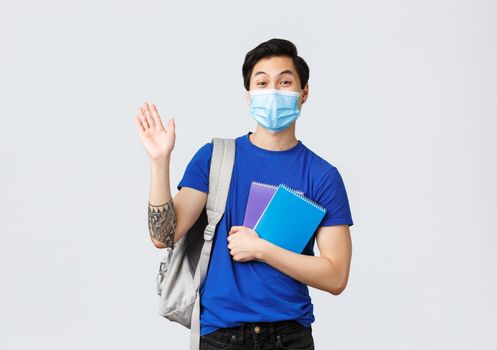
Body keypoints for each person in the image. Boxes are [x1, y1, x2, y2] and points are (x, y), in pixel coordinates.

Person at [135, 38, 354, 350]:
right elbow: (163, 236)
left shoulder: (322, 176)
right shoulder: (215, 158)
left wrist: (262, 249)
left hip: (289, 336)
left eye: (285, 81)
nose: (273, 91)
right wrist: (159, 162)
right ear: (249, 95)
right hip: (221, 335)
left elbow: (335, 276)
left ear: (304, 93)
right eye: (262, 82)